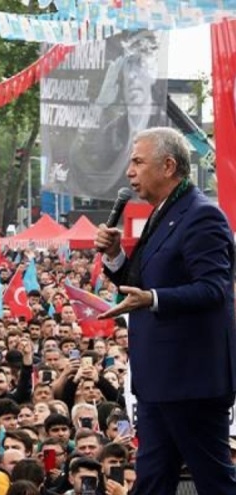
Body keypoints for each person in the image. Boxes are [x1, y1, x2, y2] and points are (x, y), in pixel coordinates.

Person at [96, 126, 236, 494]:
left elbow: (214, 289)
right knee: (152, 482)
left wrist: (155, 299)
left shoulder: (201, 216)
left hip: (191, 382)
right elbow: (137, 284)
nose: (129, 172)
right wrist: (114, 256)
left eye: (138, 162)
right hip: (158, 383)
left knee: (214, 483)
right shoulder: (164, 214)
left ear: (168, 166)